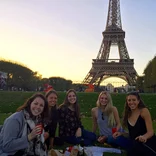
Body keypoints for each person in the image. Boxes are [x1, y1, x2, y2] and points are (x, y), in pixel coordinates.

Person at [114, 91, 156, 156]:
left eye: (134, 100)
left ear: (138, 101)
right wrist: (121, 133)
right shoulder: (127, 114)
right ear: (127, 102)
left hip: (147, 141)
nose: (131, 102)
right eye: (129, 100)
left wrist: (144, 137)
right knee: (115, 139)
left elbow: (151, 132)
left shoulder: (144, 111)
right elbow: (133, 134)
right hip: (135, 142)